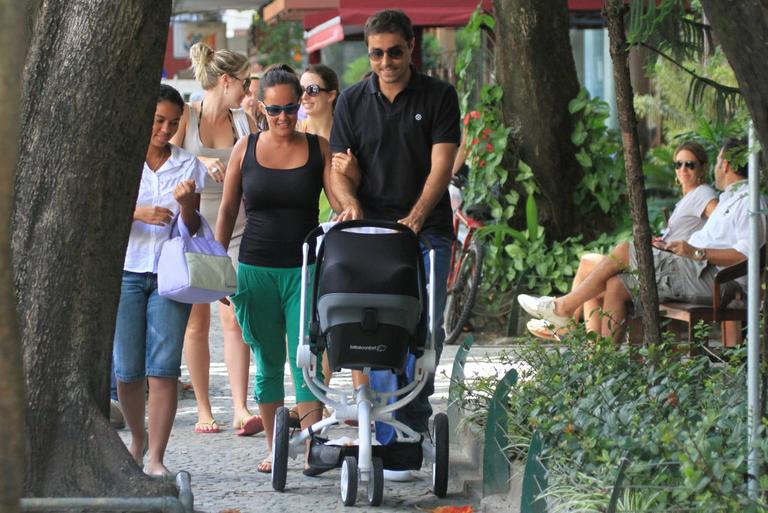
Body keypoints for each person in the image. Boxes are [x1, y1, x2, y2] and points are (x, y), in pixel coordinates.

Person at [329, 9, 460, 437]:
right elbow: (337, 169)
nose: (386, 62)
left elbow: (441, 166)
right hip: (372, 237)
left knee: (428, 332)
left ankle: (413, 418)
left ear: (411, 48)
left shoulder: (439, 96)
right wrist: (349, 202)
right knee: (378, 329)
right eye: (377, 54)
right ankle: (387, 431)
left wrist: (417, 217)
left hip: (428, 231)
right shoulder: (350, 100)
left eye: (395, 52)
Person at [519, 138, 765, 343]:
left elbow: (748, 255)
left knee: (624, 250)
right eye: (678, 164)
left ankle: (562, 310)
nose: (683, 170)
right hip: (696, 269)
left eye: (689, 164)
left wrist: (696, 252)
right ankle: (601, 367)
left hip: (712, 277)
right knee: (616, 284)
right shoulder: (730, 199)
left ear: (725, 165)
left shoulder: (750, 202)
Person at [215, 64, 332, 474]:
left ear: (301, 104)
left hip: (304, 269)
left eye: (290, 108)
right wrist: (216, 267)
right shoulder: (244, 148)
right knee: (266, 361)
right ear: (261, 107)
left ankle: (312, 446)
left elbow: (338, 198)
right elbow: (229, 208)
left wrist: (349, 196)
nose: (283, 117)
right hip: (255, 270)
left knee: (307, 360)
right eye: (275, 110)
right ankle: (274, 446)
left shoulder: (318, 147)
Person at [114, 84, 206, 476]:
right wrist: (137, 213)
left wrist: (186, 204)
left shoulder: (187, 164)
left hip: (171, 276)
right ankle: (138, 438)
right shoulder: (120, 160)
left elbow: (193, 225)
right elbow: (99, 215)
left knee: (163, 367)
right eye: (158, 120)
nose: (165, 129)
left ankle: (156, 458)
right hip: (126, 272)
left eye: (172, 122)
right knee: (128, 369)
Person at [170, 42, 261, 435]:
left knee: (235, 315)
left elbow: (260, 162)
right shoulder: (186, 118)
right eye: (244, 81)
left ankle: (241, 407)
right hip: (192, 228)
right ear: (226, 80)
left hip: (237, 227)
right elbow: (166, 161)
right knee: (196, 321)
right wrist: (199, 161)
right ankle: (205, 409)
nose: (247, 89)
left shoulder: (244, 121)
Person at [297, 64, 340, 391]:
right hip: (304, 233)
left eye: (312, 90)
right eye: (302, 90)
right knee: (310, 319)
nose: (305, 97)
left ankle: (358, 392)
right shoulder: (295, 131)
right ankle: (316, 395)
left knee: (338, 310)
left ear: (331, 95)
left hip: (340, 230)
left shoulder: (346, 133)